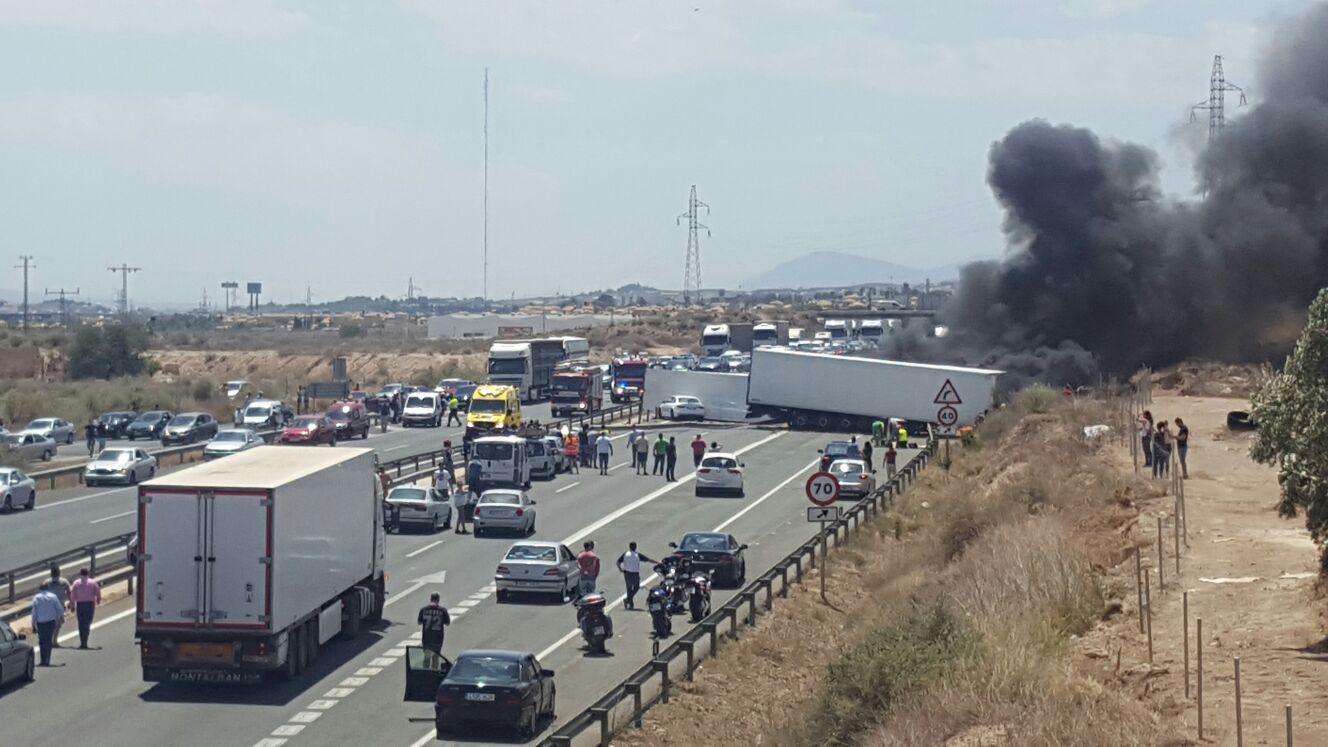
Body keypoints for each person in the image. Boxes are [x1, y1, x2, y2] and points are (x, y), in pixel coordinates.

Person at [616, 542, 656, 610]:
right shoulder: (637, 554)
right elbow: (649, 560)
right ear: (635, 547)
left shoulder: (626, 554)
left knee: (630, 589)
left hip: (627, 573)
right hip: (634, 573)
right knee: (636, 587)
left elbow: (618, 562)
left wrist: (620, 569)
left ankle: (628, 600)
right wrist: (658, 562)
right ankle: (630, 604)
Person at [68, 568, 102, 649]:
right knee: (87, 622)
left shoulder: (76, 583)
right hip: (90, 604)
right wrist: (98, 599)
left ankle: (83, 641)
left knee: (81, 623)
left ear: (80, 574)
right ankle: (85, 641)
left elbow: (72, 595)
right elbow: (97, 591)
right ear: (88, 573)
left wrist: (72, 604)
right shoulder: (92, 582)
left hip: (80, 604)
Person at [31, 582, 62, 666]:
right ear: (48, 588)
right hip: (50, 622)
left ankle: (43, 660)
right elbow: (59, 609)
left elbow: (34, 612)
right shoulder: (53, 597)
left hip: (40, 623)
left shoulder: (36, 598)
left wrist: (33, 624)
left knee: (42, 641)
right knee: (48, 640)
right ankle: (47, 659)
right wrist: (60, 618)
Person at [48, 565, 70, 643]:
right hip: (59, 607)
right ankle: (54, 640)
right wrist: (71, 602)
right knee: (57, 625)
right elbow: (69, 593)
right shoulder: (64, 582)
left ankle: (52, 640)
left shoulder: (47, 583)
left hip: (50, 607)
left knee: (54, 624)